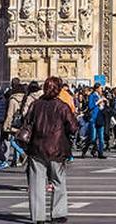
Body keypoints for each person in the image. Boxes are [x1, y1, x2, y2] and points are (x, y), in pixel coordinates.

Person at [19, 76, 78, 224]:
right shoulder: (62, 106)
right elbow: (73, 127)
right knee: (58, 182)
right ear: (58, 90)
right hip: (57, 150)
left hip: (37, 149)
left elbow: (26, 122)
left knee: (36, 184)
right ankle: (58, 215)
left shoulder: (35, 105)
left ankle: (38, 217)